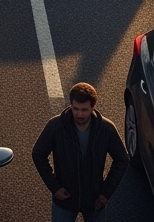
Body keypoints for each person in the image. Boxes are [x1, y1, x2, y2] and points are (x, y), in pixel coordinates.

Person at [32, 82, 129, 222]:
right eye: (75, 109)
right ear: (71, 104)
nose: (79, 114)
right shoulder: (56, 126)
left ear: (93, 107)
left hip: (95, 201)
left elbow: (122, 159)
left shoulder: (106, 129)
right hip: (65, 200)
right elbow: (38, 154)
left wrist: (106, 192)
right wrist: (55, 187)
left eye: (84, 110)